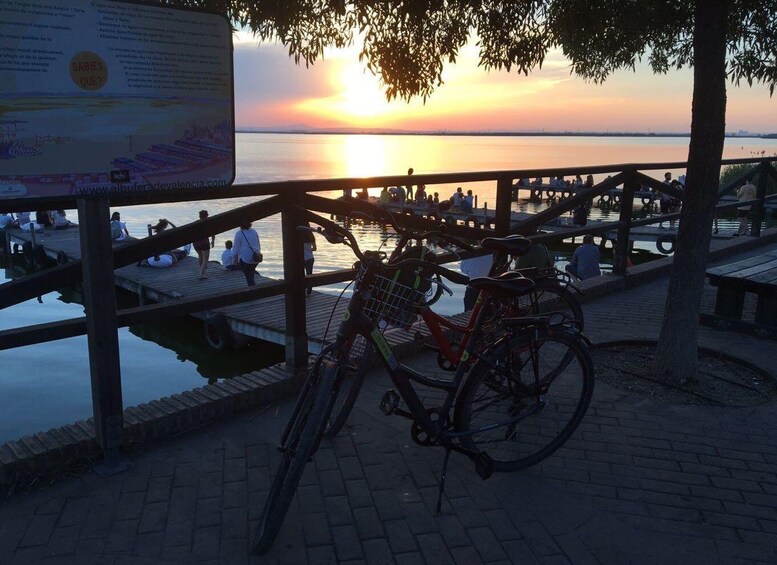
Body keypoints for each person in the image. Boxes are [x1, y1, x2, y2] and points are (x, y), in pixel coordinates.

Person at [232, 222, 261, 286]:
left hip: (245, 259)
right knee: (251, 273)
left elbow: (235, 249)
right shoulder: (254, 232)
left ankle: (252, 289)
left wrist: (234, 261)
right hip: (256, 257)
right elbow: (258, 245)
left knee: (248, 276)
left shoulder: (239, 234)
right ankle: (252, 287)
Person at [193, 210, 216, 279]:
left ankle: (202, 273)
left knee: (200, 257)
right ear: (206, 215)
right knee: (205, 259)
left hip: (196, 243)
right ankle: (201, 275)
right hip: (204, 242)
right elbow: (213, 232)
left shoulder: (195, 223)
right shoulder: (208, 223)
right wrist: (213, 241)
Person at [302, 224, 317, 296]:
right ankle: (309, 293)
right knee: (310, 275)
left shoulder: (298, 236)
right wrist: (309, 250)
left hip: (301, 259)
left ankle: (302, 291)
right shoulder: (311, 237)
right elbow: (314, 248)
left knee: (301, 276)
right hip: (310, 258)